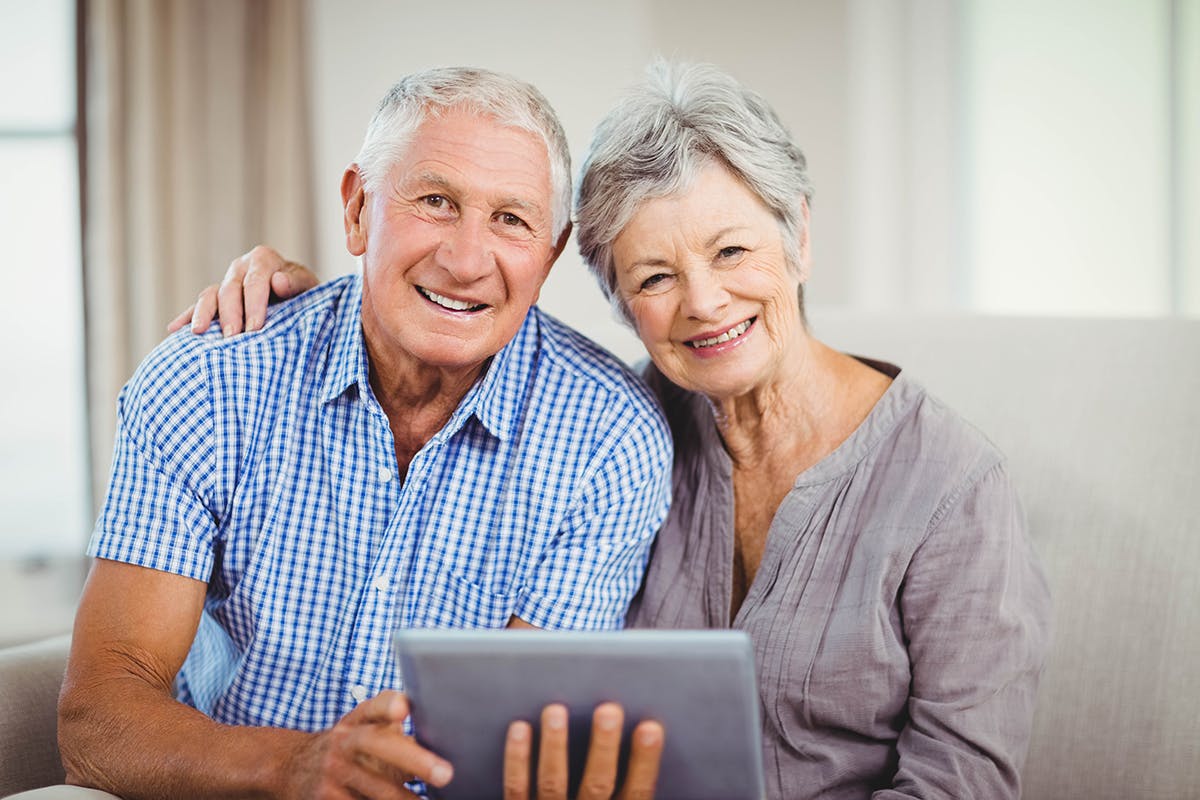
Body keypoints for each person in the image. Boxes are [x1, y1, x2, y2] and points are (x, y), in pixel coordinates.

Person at [199, 61, 1053, 800]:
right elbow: (449, 316)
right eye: (654, 277)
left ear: (798, 235)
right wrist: (307, 300)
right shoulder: (625, 430)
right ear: (618, 303)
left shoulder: (953, 490)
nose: (704, 303)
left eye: (731, 252)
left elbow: (962, 783)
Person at [56, 67, 671, 800]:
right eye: (436, 202)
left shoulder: (609, 439)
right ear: (357, 210)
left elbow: (514, 757)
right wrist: (290, 769)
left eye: (512, 219)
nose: (466, 260)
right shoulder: (207, 382)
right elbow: (98, 723)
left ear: (550, 253)